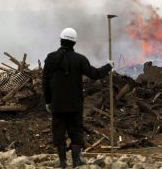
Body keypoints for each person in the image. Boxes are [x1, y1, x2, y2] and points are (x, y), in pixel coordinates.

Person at [42, 28, 113, 168]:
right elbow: (95, 74)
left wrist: (48, 101)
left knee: (59, 132)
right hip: (74, 104)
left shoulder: (50, 58)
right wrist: (109, 66)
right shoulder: (80, 59)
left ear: (60, 40)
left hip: (57, 104)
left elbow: (45, 82)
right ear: (74, 43)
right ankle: (76, 161)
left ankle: (62, 162)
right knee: (76, 131)